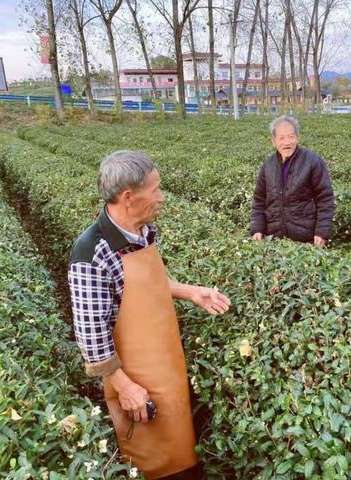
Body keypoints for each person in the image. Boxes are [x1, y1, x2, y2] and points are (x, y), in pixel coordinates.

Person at [68, 151, 231, 480]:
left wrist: (191, 292)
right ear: (128, 197)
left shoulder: (140, 234)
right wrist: (125, 387)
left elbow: (141, 285)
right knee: (158, 467)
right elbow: (91, 336)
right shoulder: (92, 254)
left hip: (167, 370)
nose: (161, 197)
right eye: (155, 189)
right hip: (138, 386)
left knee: (184, 456)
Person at [250, 115, 334, 246]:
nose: (287, 142)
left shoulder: (312, 161)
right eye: (281, 138)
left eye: (291, 136)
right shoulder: (268, 165)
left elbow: (325, 199)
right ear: (273, 141)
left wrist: (322, 231)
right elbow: (259, 200)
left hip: (306, 239)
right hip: (274, 239)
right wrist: (257, 228)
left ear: (297, 137)